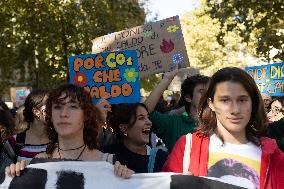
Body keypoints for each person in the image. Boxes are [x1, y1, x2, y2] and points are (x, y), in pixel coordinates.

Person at [162, 67, 284, 189]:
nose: (235, 110)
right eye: (225, 100)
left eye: (242, 100)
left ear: (253, 103)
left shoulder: (273, 156)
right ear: (211, 104)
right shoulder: (188, 147)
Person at [5, 84, 133, 179]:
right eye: (57, 107)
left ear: (86, 115)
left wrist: (126, 180)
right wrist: (15, 177)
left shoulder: (108, 163)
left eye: (73, 106)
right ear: (51, 115)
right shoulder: (38, 162)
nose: (63, 114)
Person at [144, 70, 210, 151]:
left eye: (210, 92)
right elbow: (146, 113)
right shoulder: (173, 124)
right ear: (188, 98)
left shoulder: (221, 124)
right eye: (201, 91)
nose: (207, 95)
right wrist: (167, 79)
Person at [106, 103, 168, 173]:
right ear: (124, 128)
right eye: (141, 118)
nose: (150, 122)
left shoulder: (160, 158)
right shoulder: (106, 156)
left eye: (148, 117)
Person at [6, 89, 49, 163]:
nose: (56, 111)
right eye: (51, 106)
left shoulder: (59, 140)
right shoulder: (14, 142)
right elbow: (3, 172)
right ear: (36, 112)